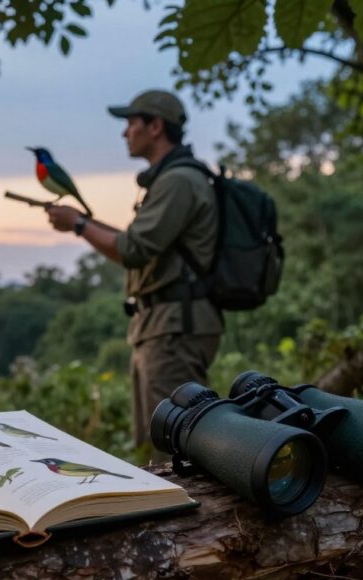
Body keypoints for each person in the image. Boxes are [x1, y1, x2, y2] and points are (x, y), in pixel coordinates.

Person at [45, 89, 222, 463]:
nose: (124, 133)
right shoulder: (170, 180)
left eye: (130, 123)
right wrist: (84, 222)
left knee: (176, 449)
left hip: (174, 329)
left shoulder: (179, 181)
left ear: (155, 127)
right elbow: (135, 242)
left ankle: (195, 521)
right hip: (161, 326)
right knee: (158, 442)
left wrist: (78, 224)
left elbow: (131, 251)